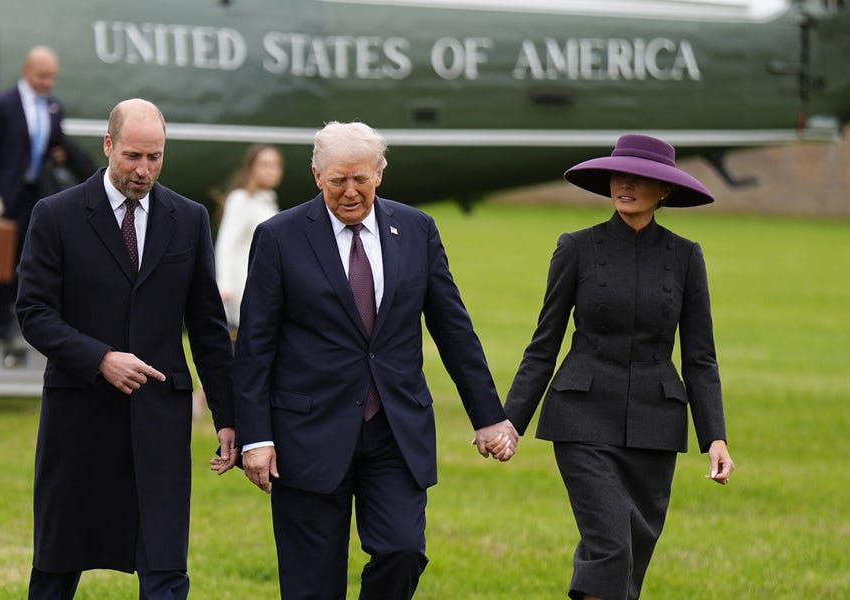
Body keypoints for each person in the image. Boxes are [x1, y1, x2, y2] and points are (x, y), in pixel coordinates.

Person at [234, 121, 517, 600]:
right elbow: (255, 345)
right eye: (337, 180)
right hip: (309, 432)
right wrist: (255, 437)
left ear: (380, 173)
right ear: (316, 175)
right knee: (311, 583)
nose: (349, 191)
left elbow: (453, 329)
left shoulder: (416, 230)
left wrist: (489, 417)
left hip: (394, 429)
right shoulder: (279, 237)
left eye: (360, 179)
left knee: (403, 551)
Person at [16, 98, 236, 600]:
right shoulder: (56, 215)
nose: (144, 170)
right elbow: (34, 314)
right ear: (108, 145)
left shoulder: (189, 218)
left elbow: (207, 327)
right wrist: (100, 358)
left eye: (155, 157)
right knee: (58, 561)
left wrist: (228, 414)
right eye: (133, 156)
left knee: (164, 564)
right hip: (80, 415)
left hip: (160, 418)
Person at [504, 134, 736, 600]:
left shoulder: (686, 257)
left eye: (640, 177)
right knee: (610, 548)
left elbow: (700, 356)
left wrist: (715, 437)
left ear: (664, 191)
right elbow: (543, 343)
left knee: (631, 559)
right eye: (619, 173)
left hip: (656, 425)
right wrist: (511, 420)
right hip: (582, 418)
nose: (625, 183)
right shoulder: (576, 248)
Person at [0, 45, 93, 345]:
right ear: (27, 71)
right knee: (5, 257)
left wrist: (87, 172)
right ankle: (0, 322)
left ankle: (26, 317)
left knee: (33, 256)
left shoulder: (53, 106)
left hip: (38, 193)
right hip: (7, 194)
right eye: (42, 76)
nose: (47, 83)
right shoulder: (3, 105)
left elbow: (57, 142)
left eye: (52, 77)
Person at [214, 144, 283, 334]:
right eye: (265, 165)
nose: (272, 171)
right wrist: (224, 284)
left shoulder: (269, 198)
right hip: (241, 287)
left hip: (265, 285)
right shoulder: (240, 199)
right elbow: (226, 243)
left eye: (276, 165)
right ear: (251, 167)